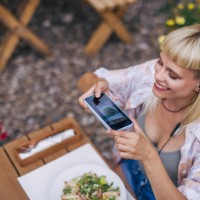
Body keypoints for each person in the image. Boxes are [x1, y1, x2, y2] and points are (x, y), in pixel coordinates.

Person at [79, 24, 200, 200]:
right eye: (160, 62)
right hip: (125, 170)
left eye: (172, 75)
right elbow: (85, 79)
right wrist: (97, 84)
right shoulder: (152, 74)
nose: (158, 76)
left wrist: (149, 157)